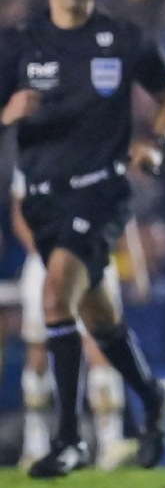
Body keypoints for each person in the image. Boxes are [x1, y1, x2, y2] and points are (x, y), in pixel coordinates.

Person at [0, 0, 165, 478]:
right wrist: (8, 113)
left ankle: (67, 439)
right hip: (40, 199)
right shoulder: (20, 45)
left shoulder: (122, 38)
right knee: (97, 316)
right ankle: (152, 397)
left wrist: (156, 141)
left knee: (57, 296)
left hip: (101, 191)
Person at [15, 174, 149, 472]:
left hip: (93, 254)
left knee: (100, 345)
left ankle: (110, 442)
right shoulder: (35, 154)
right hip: (45, 260)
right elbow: (19, 212)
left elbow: (121, 209)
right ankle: (35, 444)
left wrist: (135, 262)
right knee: (39, 350)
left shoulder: (99, 147)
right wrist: (49, 251)